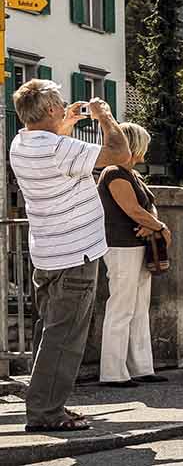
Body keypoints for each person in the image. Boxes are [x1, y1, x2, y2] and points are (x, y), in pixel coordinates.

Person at [8, 81, 132, 433]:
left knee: (49, 334)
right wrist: (106, 118)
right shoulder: (60, 148)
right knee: (65, 338)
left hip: (47, 253)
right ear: (48, 110)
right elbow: (120, 156)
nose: (64, 107)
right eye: (60, 104)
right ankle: (46, 412)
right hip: (75, 254)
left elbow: (53, 142)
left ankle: (45, 404)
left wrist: (69, 121)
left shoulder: (22, 144)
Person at [97, 122, 169, 388]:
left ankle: (141, 368)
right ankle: (113, 372)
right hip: (121, 246)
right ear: (135, 145)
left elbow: (146, 208)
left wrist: (152, 223)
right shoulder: (114, 173)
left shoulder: (131, 174)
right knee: (122, 307)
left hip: (136, 246)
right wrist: (159, 227)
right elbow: (133, 209)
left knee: (138, 308)